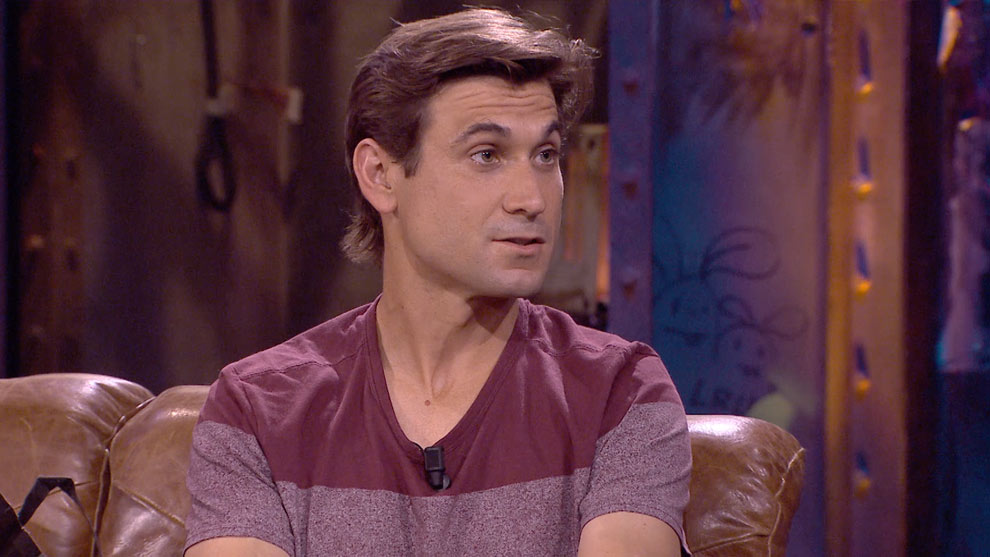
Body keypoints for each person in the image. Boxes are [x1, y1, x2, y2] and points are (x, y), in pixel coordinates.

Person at [184, 7, 691, 557]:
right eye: (487, 155)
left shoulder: (620, 392)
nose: (531, 198)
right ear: (380, 175)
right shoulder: (257, 410)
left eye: (545, 155)